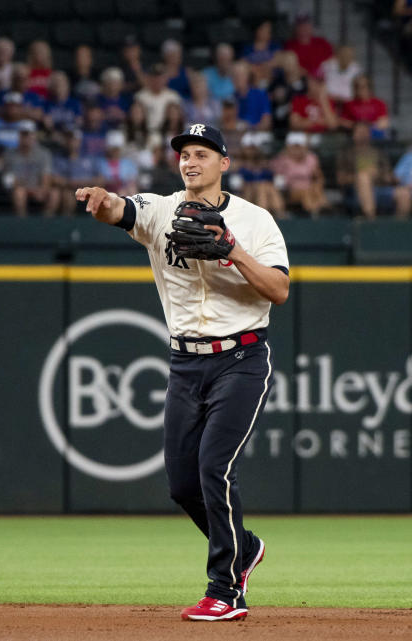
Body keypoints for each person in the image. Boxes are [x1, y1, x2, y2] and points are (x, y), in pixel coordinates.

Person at [75, 121, 288, 622]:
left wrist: (232, 250)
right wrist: (100, 197)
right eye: (184, 154)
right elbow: (118, 209)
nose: (191, 161)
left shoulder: (256, 221)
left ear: (224, 163)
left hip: (241, 358)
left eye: (202, 153)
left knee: (214, 467)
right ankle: (247, 546)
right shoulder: (160, 210)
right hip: (185, 362)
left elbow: (278, 291)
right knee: (181, 485)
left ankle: (225, 590)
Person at [336, 120, 396, 218]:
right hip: (355, 190)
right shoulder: (345, 154)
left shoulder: (378, 153)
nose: (363, 135)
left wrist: (377, 175)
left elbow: (388, 176)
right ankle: (371, 219)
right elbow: (341, 179)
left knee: (404, 194)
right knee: (363, 177)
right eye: (360, 132)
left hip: (380, 188)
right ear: (353, 135)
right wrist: (362, 175)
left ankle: (399, 228)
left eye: (365, 132)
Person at [2, 119, 57, 216]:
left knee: (54, 194)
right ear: (19, 136)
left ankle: (47, 225)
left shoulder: (43, 154)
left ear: (34, 135)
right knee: (19, 193)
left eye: (29, 134)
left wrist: (42, 190)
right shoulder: (10, 154)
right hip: (20, 190)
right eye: (24, 134)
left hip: (38, 189)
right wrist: (29, 190)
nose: (26, 137)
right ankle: (22, 225)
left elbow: (46, 177)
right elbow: (9, 181)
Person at [271, 130, 327, 216]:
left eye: (299, 147)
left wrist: (317, 188)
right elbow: (278, 181)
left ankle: (319, 214)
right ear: (288, 147)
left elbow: (319, 177)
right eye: (294, 147)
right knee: (306, 194)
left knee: (313, 193)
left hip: (310, 189)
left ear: (304, 147)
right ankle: (317, 216)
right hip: (290, 191)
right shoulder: (282, 159)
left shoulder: (311, 158)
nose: (297, 150)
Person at [134, 63, 182, 136]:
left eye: (160, 77)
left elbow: (178, 119)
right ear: (149, 78)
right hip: (147, 133)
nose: (157, 80)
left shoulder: (173, 96)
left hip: (167, 133)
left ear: (166, 78)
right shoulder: (140, 96)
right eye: (154, 77)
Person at [231, 62, 272, 131]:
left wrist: (250, 128)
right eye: (235, 75)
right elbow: (228, 124)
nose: (238, 78)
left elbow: (266, 122)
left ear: (248, 76)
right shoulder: (231, 98)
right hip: (236, 135)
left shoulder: (260, 95)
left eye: (241, 75)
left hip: (257, 135)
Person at [99, 128, 138, 196]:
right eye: (113, 149)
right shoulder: (101, 163)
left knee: (130, 190)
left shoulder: (128, 163)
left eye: (117, 149)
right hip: (108, 192)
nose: (115, 152)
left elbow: (132, 180)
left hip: (124, 191)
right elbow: (101, 181)